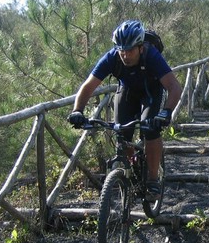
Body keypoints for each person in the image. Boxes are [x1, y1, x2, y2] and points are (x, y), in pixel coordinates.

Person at [67, 20, 182, 201]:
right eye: (122, 50)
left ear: (140, 48)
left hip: (151, 93)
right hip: (127, 92)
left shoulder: (151, 55)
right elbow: (88, 86)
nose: (125, 55)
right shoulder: (112, 57)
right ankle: (130, 172)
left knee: (151, 130)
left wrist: (166, 112)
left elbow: (174, 86)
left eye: (129, 50)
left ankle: (153, 179)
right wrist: (77, 110)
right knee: (121, 132)